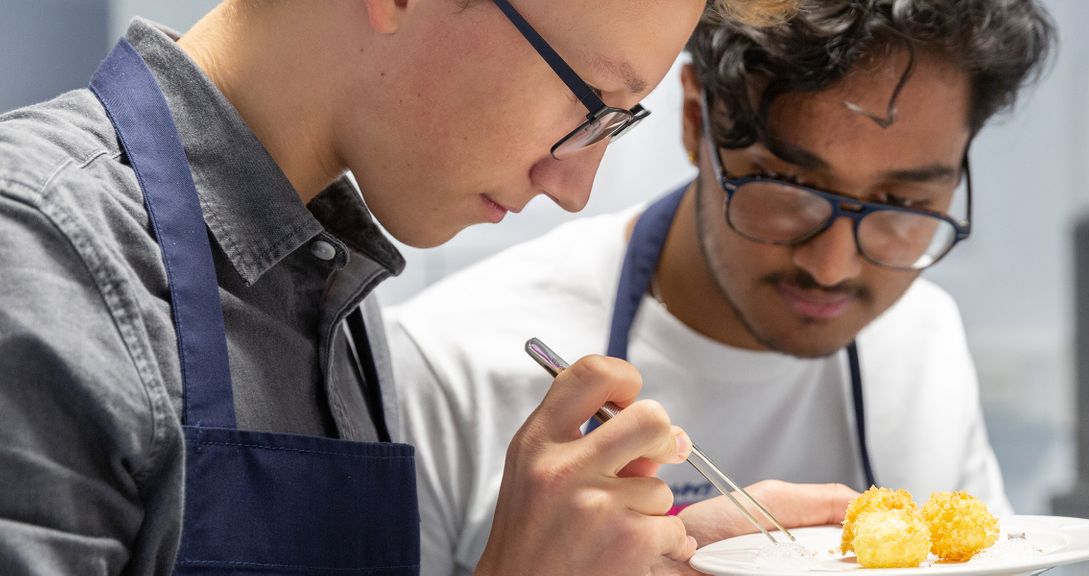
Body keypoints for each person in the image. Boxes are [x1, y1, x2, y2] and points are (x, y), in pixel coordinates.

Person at [0, 1, 806, 575]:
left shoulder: (331, 291)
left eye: (618, 125)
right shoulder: (36, 251)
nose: (575, 187)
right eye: (589, 102)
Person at [387, 1, 1057, 574]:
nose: (832, 266)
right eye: (789, 190)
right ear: (693, 120)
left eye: (901, 202)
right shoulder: (445, 365)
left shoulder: (921, 335)